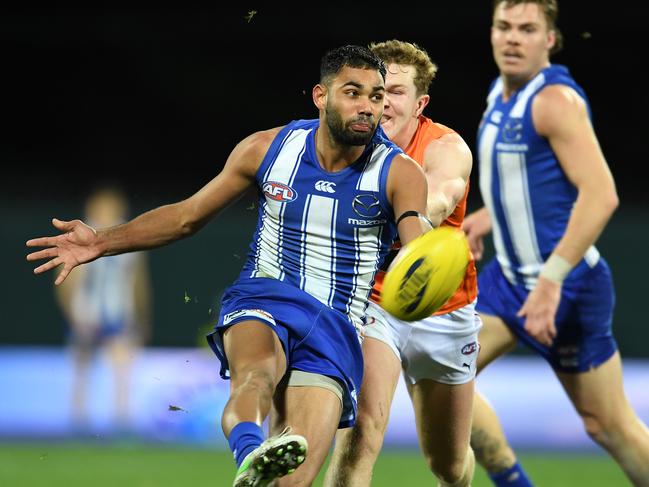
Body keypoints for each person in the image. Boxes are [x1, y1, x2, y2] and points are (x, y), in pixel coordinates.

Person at [27, 45, 433, 487]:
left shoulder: (399, 172)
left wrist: (425, 265)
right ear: (321, 96)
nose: (367, 107)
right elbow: (187, 217)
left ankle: (262, 472)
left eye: (376, 97)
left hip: (334, 325)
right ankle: (248, 454)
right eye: (353, 93)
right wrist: (101, 242)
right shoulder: (267, 149)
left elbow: (415, 240)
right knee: (255, 374)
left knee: (294, 482)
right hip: (265, 298)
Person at [463, 1, 649, 486]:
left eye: (527, 29)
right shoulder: (499, 95)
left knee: (608, 426)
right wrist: (487, 219)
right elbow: (532, 185)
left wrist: (550, 282)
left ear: (550, 40)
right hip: (509, 282)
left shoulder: (554, 102)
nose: (512, 38)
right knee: (438, 371)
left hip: (565, 287)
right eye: (503, 26)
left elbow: (600, 194)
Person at [324, 40, 479, 487]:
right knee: (359, 434)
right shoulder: (347, 144)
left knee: (448, 465)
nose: (382, 102)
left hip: (446, 310)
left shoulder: (445, 145)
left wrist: (405, 212)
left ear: (419, 103)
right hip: (377, 303)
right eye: (375, 90)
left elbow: (441, 194)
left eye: (394, 92)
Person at [54, 185, 152, 435]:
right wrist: (72, 314)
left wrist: (141, 315)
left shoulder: (128, 237)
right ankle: (78, 420)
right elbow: (66, 279)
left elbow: (138, 280)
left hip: (118, 313)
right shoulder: (79, 235)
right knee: (82, 367)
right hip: (86, 314)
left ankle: (121, 420)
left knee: (122, 368)